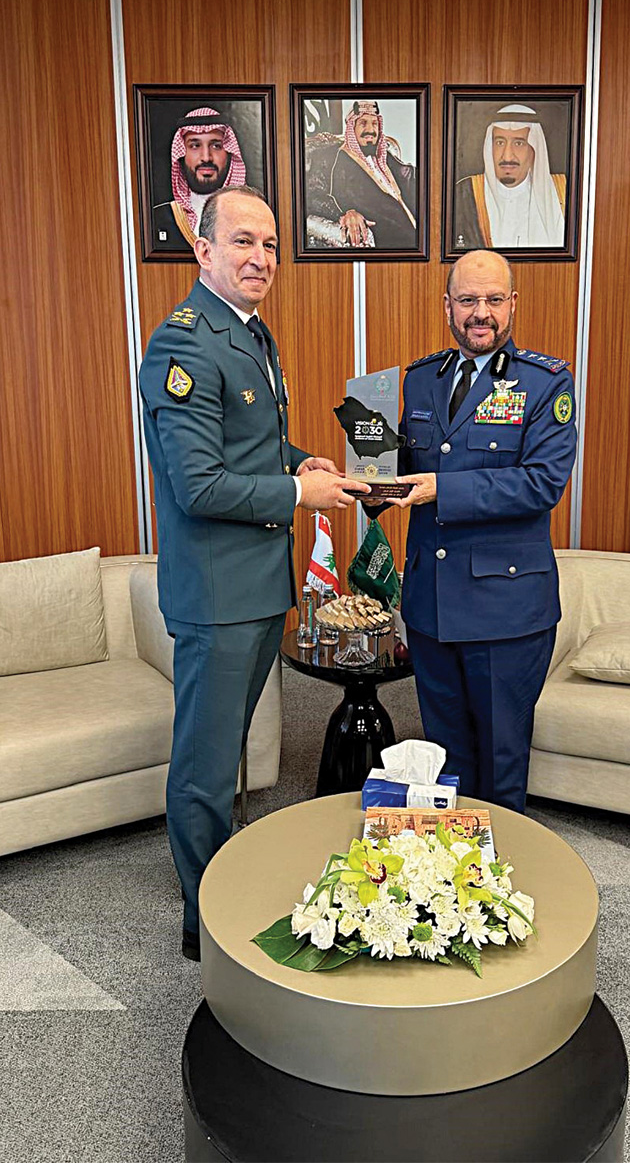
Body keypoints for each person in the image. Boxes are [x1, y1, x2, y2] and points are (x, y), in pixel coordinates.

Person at [138, 186, 369, 960]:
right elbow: (199, 486)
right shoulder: (183, 346)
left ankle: (223, 879)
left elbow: (249, 447)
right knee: (204, 765)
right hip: (217, 595)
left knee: (228, 744)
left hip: (258, 587)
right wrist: (299, 495)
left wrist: (300, 461)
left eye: (270, 244)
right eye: (243, 241)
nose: (261, 257)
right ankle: (202, 920)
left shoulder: (250, 333)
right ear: (203, 249)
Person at [375, 249, 577, 813]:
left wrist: (443, 490)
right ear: (448, 306)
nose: (480, 313)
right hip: (431, 605)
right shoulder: (421, 380)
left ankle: (502, 863)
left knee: (500, 759)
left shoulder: (545, 383)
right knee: (446, 758)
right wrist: (364, 477)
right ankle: (451, 864)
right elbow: (403, 470)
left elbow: (541, 484)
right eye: (467, 300)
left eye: (493, 299)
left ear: (513, 304)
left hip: (504, 611)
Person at [452, 104, 565, 250]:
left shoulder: (562, 193)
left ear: (534, 149)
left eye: (519, 143)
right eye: (499, 143)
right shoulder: (464, 194)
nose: (507, 156)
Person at [315, 100, 418, 249]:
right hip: (391, 243)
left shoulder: (385, 156)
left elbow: (409, 176)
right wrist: (346, 213)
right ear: (352, 128)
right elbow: (317, 196)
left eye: (374, 124)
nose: (370, 130)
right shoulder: (340, 161)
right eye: (363, 123)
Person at [152, 106, 248, 248]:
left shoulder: (252, 213)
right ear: (182, 154)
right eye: (195, 146)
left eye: (216, 146)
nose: (206, 157)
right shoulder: (158, 218)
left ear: (229, 153)